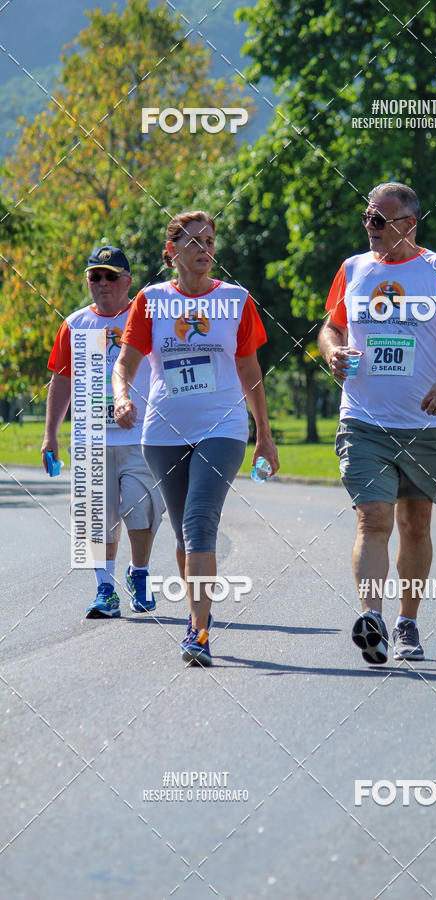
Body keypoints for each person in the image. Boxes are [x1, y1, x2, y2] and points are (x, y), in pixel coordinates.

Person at [318, 182, 436, 664]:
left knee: (415, 524)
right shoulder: (353, 270)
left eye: (378, 220)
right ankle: (372, 618)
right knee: (373, 519)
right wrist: (333, 352)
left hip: (427, 426)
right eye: (366, 218)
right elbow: (331, 326)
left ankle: (407, 622)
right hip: (364, 421)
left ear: (408, 224)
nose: (368, 228)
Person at [112, 210, 279, 666]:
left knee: (201, 522)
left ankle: (200, 632)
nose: (203, 250)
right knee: (186, 534)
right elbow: (124, 363)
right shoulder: (150, 301)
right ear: (171, 253)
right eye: (192, 242)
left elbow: (250, 370)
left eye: (209, 241)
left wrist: (264, 433)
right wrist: (122, 396)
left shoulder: (236, 300)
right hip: (162, 431)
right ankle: (195, 616)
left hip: (222, 428)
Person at [42, 246, 165, 617]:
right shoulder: (76, 324)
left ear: (128, 280)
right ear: (88, 282)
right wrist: (51, 435)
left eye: (111, 275)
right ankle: (105, 589)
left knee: (141, 511)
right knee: (93, 516)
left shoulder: (147, 319)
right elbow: (61, 381)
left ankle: (138, 574)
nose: (103, 283)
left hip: (139, 436)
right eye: (95, 276)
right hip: (90, 439)